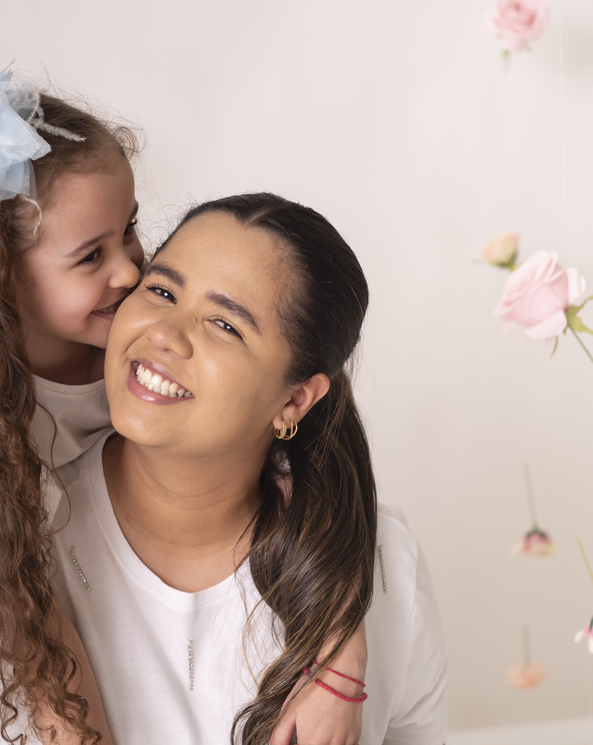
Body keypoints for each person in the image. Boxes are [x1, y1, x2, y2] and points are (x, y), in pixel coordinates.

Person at [0, 64, 373, 744]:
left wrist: (340, 650)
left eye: (129, 230)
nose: (130, 270)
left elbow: (320, 464)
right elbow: (38, 648)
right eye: (90, 256)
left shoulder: (131, 346)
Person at [50, 193, 449, 745]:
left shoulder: (384, 566)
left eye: (225, 324)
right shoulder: (17, 535)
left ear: (295, 400)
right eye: (161, 291)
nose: (164, 334)